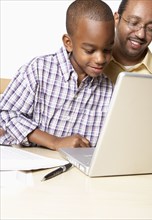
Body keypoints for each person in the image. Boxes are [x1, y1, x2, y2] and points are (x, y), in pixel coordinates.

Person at [0, 0, 115, 150]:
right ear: (68, 43)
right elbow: (5, 115)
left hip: (76, 170)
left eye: (107, 50)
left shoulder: (110, 91)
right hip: (33, 163)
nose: (100, 59)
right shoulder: (38, 70)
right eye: (89, 50)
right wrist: (54, 142)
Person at [104, 0, 152, 84]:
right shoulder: (91, 62)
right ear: (116, 19)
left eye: (150, 28)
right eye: (134, 23)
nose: (141, 35)